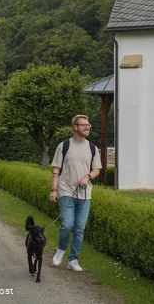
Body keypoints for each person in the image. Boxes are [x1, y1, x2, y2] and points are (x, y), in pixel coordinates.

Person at [49, 114, 102, 272]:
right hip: (66, 191)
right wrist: (54, 190)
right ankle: (61, 250)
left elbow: (97, 169)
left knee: (79, 228)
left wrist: (88, 177)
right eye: (83, 125)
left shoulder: (92, 148)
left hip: (84, 195)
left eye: (88, 125)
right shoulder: (64, 146)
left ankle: (73, 259)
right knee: (66, 224)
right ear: (75, 127)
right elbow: (56, 169)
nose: (87, 127)